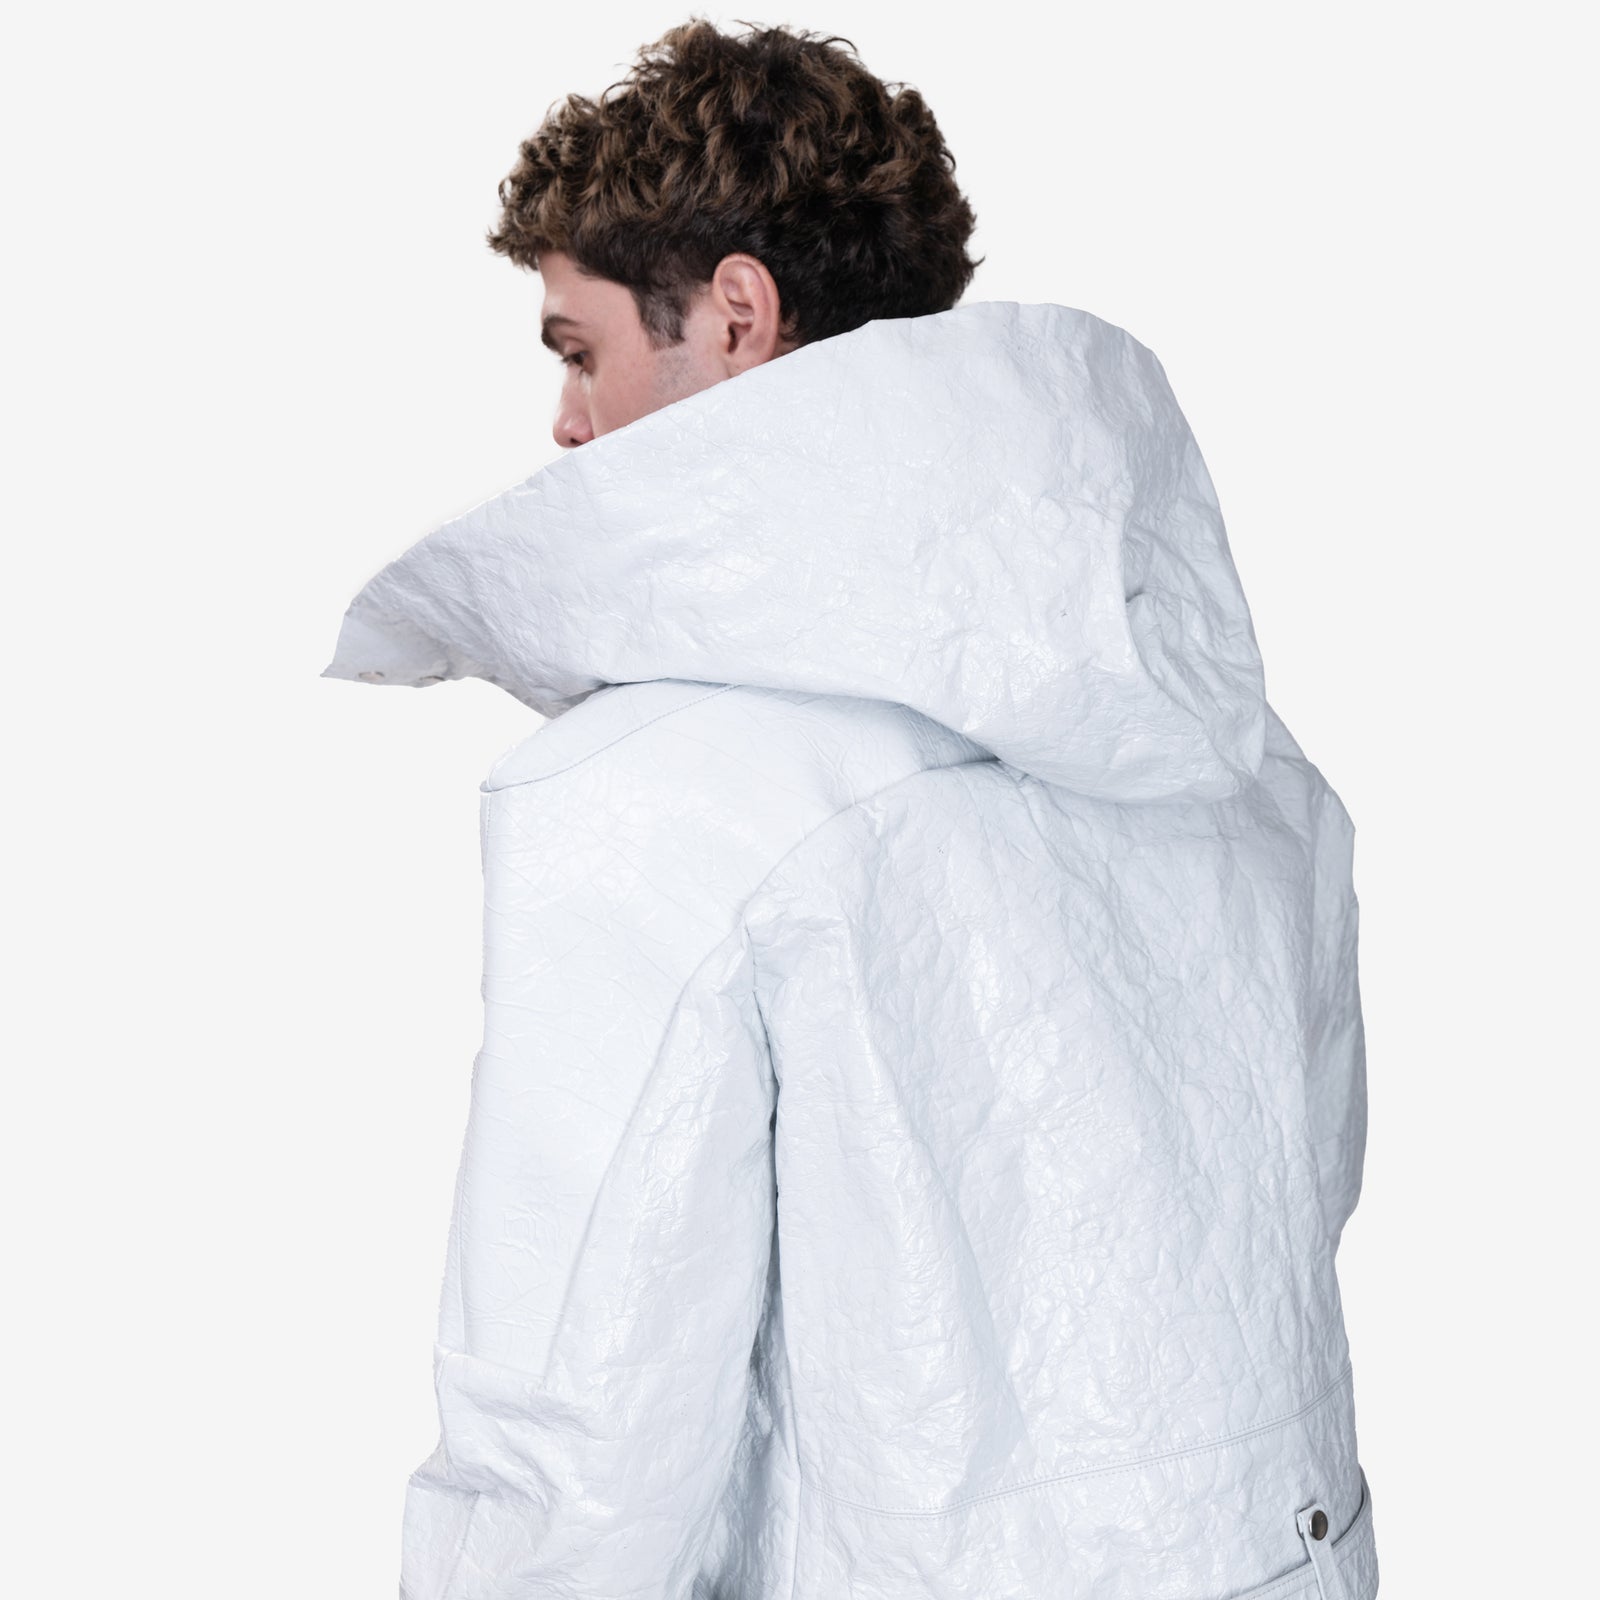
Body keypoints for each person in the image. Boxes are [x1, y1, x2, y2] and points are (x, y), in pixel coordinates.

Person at [323, 18, 1379, 1600]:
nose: (564, 422)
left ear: (737, 315)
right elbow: (1295, 1198)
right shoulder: (1214, 730)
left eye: (579, 349)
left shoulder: (650, 792)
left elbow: (583, 1431)